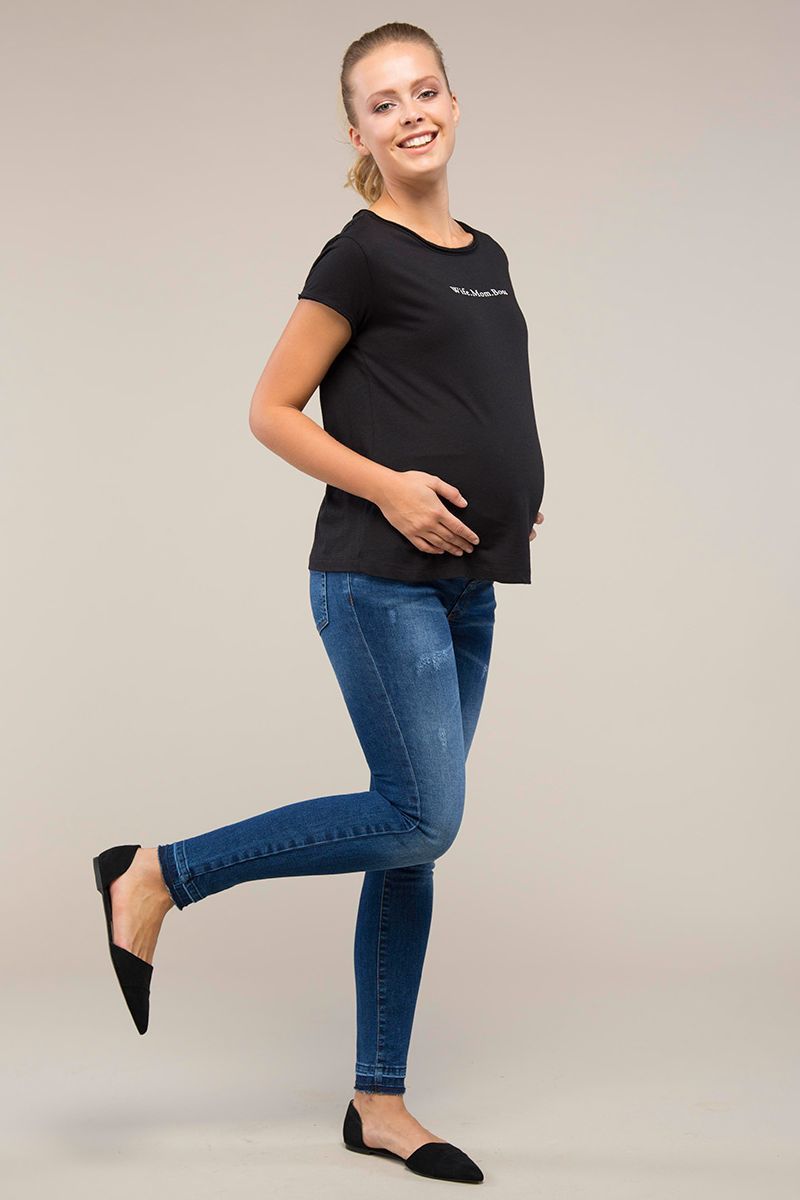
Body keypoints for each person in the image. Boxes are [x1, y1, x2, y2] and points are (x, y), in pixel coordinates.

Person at [92, 22, 545, 1186]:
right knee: (421, 816)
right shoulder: (358, 254)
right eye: (384, 103)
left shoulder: (486, 251)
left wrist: (511, 497)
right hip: (376, 576)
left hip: (467, 582)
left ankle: (378, 1104)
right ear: (358, 133)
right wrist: (390, 487)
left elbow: (467, 396)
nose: (411, 114)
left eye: (425, 90)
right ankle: (158, 872)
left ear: (454, 102)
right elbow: (271, 409)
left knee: (407, 845)